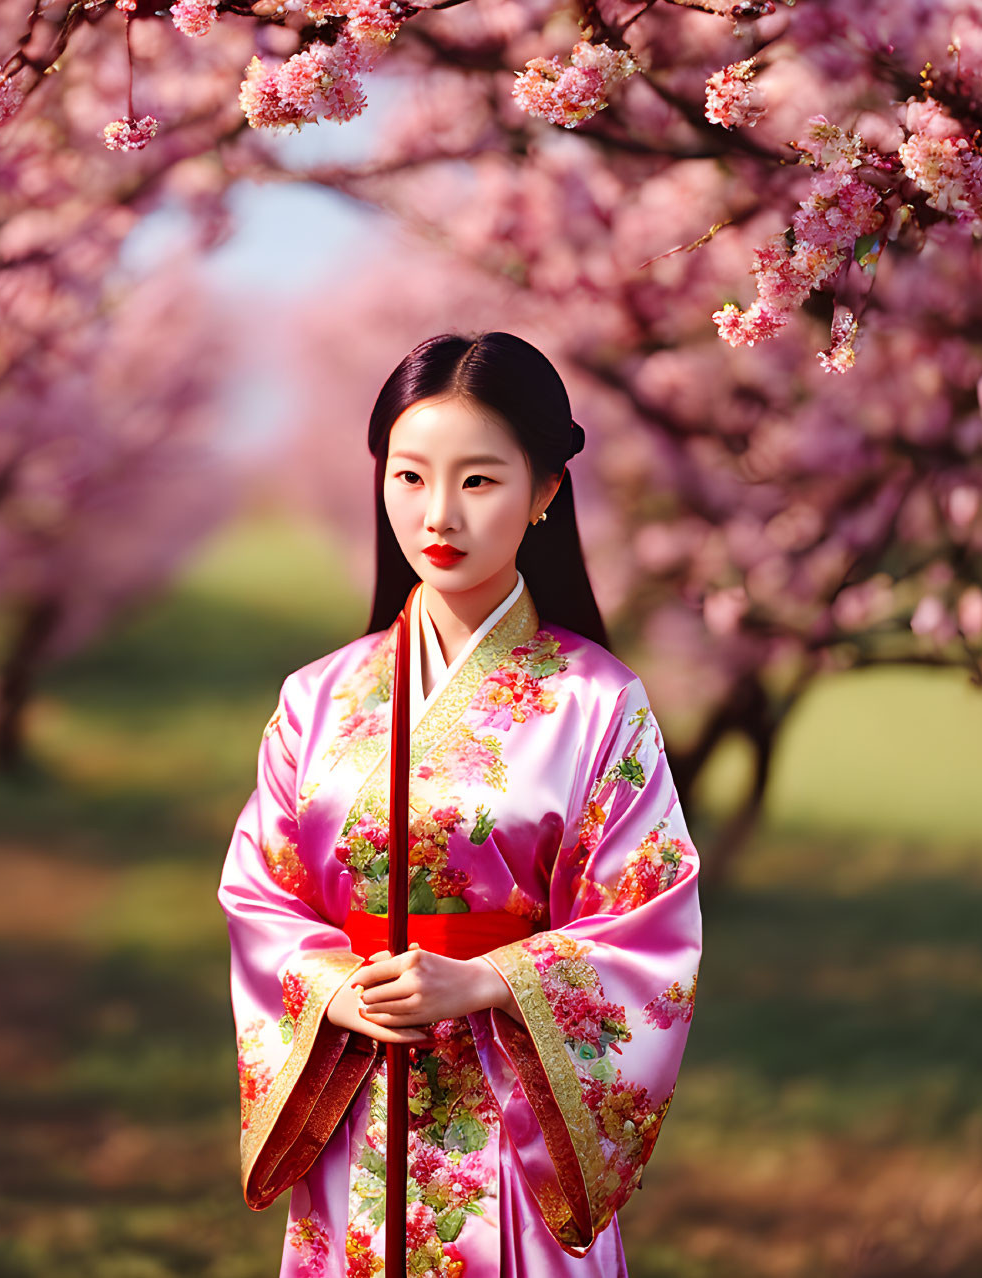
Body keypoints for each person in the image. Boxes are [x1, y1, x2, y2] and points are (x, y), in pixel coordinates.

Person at [217, 331, 703, 1277]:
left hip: (514, 1117)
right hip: (359, 1101)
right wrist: (333, 989)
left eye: (478, 481)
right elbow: (259, 897)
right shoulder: (315, 699)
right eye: (409, 476)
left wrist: (488, 982)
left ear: (545, 494)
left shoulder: (598, 702)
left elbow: (649, 926)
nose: (437, 514)